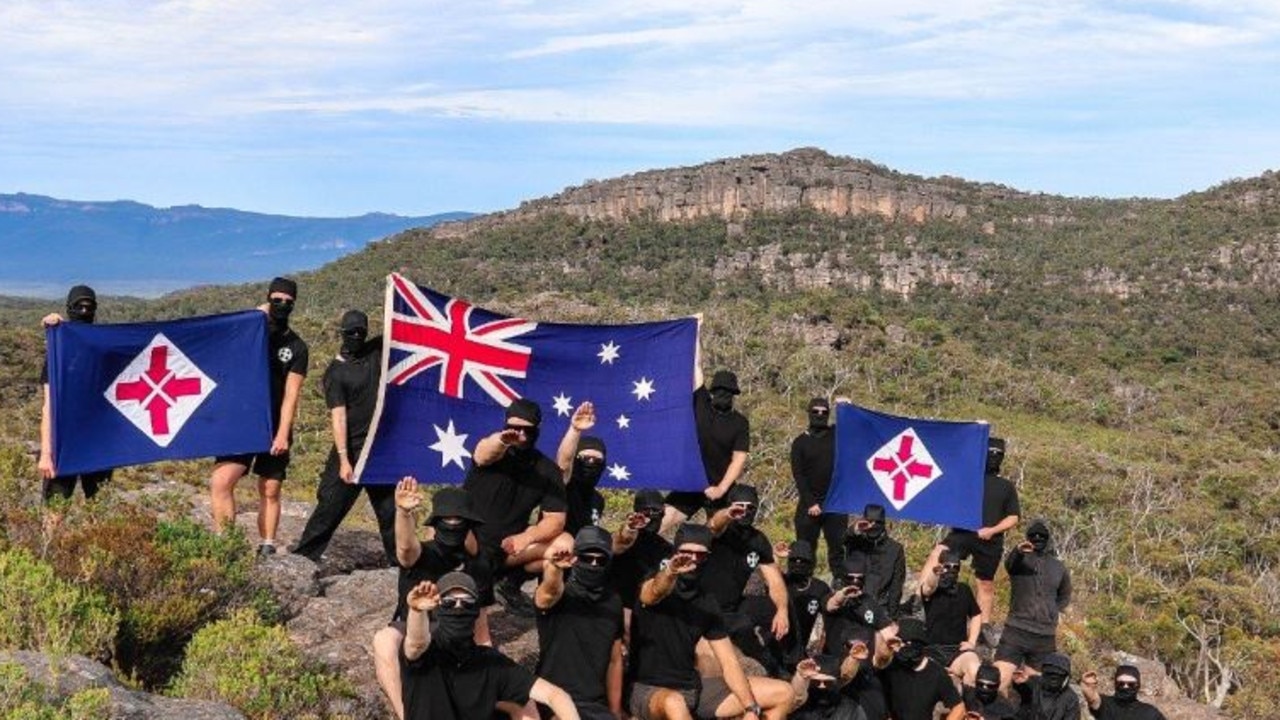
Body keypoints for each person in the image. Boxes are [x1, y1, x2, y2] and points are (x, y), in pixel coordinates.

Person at [627, 523, 792, 720]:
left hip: (693, 689)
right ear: (675, 553)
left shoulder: (707, 602)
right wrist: (670, 571)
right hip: (648, 690)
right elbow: (653, 594)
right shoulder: (653, 583)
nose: (693, 559)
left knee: (784, 693)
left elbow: (729, 663)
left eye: (700, 555)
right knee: (674, 703)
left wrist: (750, 708)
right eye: (686, 553)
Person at [373, 479, 493, 720]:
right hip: (412, 628)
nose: (452, 526)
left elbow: (481, 625)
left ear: (469, 525)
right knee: (384, 640)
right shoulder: (424, 552)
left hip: (457, 634)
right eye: (446, 520)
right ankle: (407, 714)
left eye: (458, 521)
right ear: (435, 524)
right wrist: (404, 512)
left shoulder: (478, 566)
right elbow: (406, 549)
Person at [209, 276, 308, 555]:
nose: (282, 305)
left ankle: (267, 545)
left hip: (275, 425)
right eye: (276, 300)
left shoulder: (298, 347)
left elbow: (292, 395)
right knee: (221, 481)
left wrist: (282, 433)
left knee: (270, 488)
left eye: (288, 302)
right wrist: (259, 314)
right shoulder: (250, 334)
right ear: (268, 299)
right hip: (241, 422)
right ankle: (224, 543)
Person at [400, 572, 581, 720]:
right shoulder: (426, 654)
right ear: (437, 608)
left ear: (476, 611)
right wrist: (416, 611)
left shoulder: (491, 661)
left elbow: (555, 696)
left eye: (466, 602)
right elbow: (416, 644)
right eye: (449, 602)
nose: (458, 607)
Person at [293, 309, 397, 564]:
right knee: (330, 507)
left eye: (361, 332)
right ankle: (303, 559)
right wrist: (343, 460)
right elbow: (338, 417)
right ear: (342, 333)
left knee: (390, 514)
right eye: (351, 333)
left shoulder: (374, 352)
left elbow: (399, 331)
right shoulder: (336, 372)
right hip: (350, 451)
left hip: (378, 452)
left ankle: (401, 565)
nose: (356, 336)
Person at [464, 398, 567, 617]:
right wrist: (502, 441)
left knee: (565, 546)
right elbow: (484, 452)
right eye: (512, 428)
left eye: (525, 430)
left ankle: (514, 585)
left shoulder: (547, 470)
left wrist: (526, 538)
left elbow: (555, 519)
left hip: (508, 548)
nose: (519, 434)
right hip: (468, 541)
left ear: (536, 431)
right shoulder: (493, 453)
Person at [534, 526, 625, 720]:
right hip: (552, 700)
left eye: (600, 560)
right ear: (575, 558)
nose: (593, 564)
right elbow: (548, 593)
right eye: (586, 558)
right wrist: (554, 568)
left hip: (594, 704)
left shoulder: (613, 601)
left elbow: (615, 660)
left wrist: (615, 711)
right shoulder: (562, 594)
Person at [699, 484, 790, 676]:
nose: (745, 511)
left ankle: (783, 663)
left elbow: (775, 581)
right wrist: (728, 513)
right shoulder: (721, 531)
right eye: (740, 506)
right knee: (741, 628)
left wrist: (782, 611)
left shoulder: (758, 540)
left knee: (773, 608)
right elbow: (714, 524)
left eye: (751, 508)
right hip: (703, 606)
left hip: (733, 605)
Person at [38, 284, 113, 502]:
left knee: (99, 508)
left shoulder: (103, 349)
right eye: (78, 306)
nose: (83, 312)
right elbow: (48, 406)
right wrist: (46, 453)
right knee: (55, 509)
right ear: (70, 307)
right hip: (64, 444)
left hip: (98, 444)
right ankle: (50, 539)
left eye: (88, 307)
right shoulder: (58, 352)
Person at [941, 436, 1021, 641]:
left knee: (985, 583)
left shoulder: (1006, 487)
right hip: (963, 532)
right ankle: (920, 598)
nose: (994, 457)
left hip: (990, 540)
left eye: (998, 454)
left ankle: (983, 626)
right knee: (940, 556)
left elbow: (1013, 517)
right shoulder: (968, 480)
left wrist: (993, 530)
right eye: (990, 453)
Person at [662, 368, 750, 532]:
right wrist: (693, 341)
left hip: (720, 488)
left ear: (734, 394)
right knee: (660, 521)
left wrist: (721, 489)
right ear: (712, 391)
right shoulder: (701, 403)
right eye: (718, 390)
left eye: (728, 392)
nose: (723, 394)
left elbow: (739, 459)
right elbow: (695, 367)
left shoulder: (740, 423)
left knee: (721, 534)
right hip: (692, 483)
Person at [994, 520, 1071, 692]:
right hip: (1016, 630)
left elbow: (1065, 595)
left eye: (1042, 536)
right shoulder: (1020, 560)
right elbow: (1010, 564)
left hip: (1045, 637)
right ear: (1027, 538)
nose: (1037, 539)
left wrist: (1052, 612)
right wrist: (1019, 551)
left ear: (1048, 539)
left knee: (1036, 691)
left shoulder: (1059, 567)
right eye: (1033, 536)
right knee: (998, 682)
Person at [821, 552, 895, 720]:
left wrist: (894, 642)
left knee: (878, 709)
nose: (855, 583)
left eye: (859, 579)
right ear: (842, 579)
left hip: (865, 672)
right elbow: (831, 605)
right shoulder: (832, 599)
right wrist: (843, 594)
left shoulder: (869, 602)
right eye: (850, 579)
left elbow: (886, 631)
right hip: (838, 672)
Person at [790, 397, 846, 578]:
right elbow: (799, 476)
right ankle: (803, 584)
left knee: (838, 549)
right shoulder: (799, 443)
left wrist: (846, 406)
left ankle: (839, 585)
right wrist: (811, 502)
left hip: (835, 504)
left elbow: (853, 426)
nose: (820, 415)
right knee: (804, 550)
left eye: (824, 412)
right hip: (809, 505)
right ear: (809, 413)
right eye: (816, 412)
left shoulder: (837, 435)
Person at [610, 489, 672, 634]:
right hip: (621, 608)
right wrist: (631, 528)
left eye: (656, 510)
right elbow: (620, 542)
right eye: (646, 511)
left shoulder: (667, 548)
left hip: (652, 611)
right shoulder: (627, 540)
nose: (651, 516)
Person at [877, 617, 965, 720]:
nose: (904, 647)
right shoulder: (890, 668)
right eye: (900, 643)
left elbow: (959, 708)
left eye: (909, 644)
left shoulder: (936, 674)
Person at [919, 545, 983, 684]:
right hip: (932, 650)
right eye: (947, 566)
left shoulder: (964, 590)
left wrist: (972, 642)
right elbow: (928, 587)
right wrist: (935, 573)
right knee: (929, 676)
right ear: (940, 566)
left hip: (957, 650)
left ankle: (970, 704)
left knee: (974, 668)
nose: (951, 570)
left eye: (956, 567)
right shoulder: (932, 590)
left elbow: (977, 615)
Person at [774, 540, 833, 673]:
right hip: (775, 648)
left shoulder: (820, 588)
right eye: (794, 560)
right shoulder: (782, 582)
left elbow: (829, 619)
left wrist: (819, 653)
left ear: (811, 563)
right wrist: (776, 556)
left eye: (803, 561)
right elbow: (771, 575)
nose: (798, 564)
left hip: (801, 653)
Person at [554, 401, 608, 536]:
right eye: (585, 458)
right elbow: (563, 464)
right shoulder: (564, 486)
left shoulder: (598, 499)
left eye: (596, 460)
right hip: (555, 551)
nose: (590, 463)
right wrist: (575, 430)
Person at [842, 504, 905, 618]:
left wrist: (892, 616)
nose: (873, 526)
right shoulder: (855, 543)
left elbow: (896, 586)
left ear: (883, 523)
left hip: (880, 608)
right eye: (869, 522)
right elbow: (844, 539)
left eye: (877, 522)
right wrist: (856, 528)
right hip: (853, 604)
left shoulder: (895, 549)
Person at [788, 654, 866, 720]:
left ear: (837, 683)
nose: (822, 687)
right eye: (816, 682)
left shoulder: (851, 709)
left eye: (828, 683)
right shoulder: (798, 709)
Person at [1082, 665, 1167, 720]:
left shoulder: (1150, 712)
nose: (1125, 687)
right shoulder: (1105, 705)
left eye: (1131, 684)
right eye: (1121, 683)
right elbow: (1092, 698)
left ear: (1138, 685)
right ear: (1115, 684)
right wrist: (1088, 684)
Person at [1012, 652, 1080, 720]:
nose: (1053, 679)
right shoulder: (1034, 684)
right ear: (1043, 673)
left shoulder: (1071, 699)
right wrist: (1018, 681)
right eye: (1049, 674)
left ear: (1066, 677)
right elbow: (1022, 688)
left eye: (1059, 675)